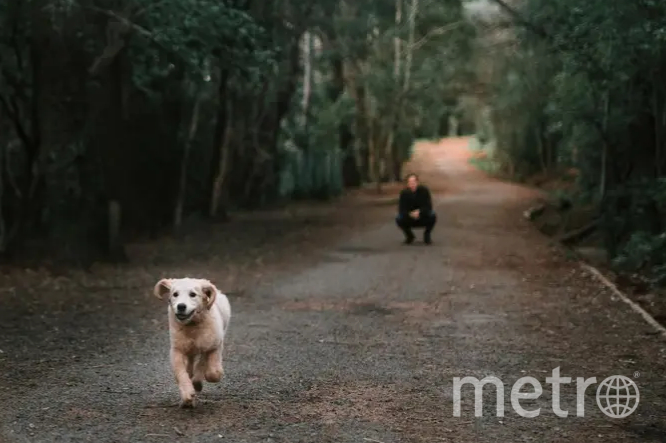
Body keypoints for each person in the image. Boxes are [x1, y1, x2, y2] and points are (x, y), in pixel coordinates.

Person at [395, 173, 437, 244]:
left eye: (414, 182)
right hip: (409, 216)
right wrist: (410, 214)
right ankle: (409, 236)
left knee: (432, 215)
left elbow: (428, 206)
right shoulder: (404, 193)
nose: (412, 184)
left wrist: (419, 212)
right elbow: (401, 209)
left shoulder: (424, 191)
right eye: (410, 182)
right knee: (398, 218)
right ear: (407, 184)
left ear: (417, 182)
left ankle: (427, 235)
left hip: (422, 215)